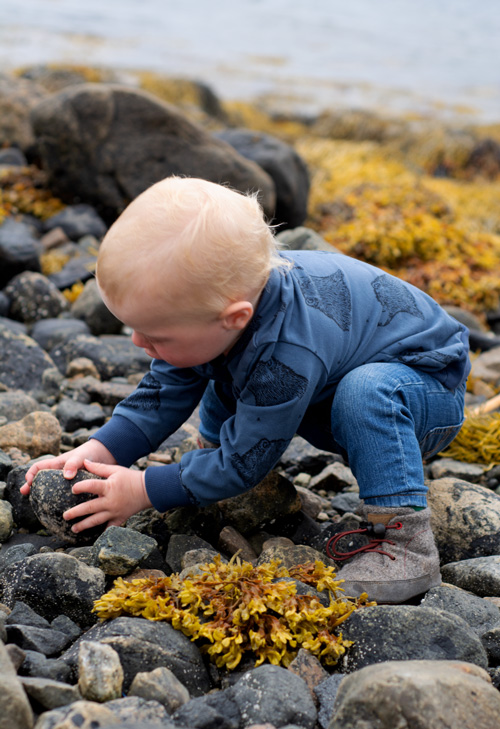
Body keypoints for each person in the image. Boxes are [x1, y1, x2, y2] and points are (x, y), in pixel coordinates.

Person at [21, 176, 470, 603]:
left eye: (155, 334)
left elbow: (245, 462)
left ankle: (407, 543)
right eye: (133, 328)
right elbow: (163, 390)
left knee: (361, 392)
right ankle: (207, 465)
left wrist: (144, 489)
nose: (139, 344)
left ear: (234, 315)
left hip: (422, 393)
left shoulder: (286, 352)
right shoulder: (223, 312)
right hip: (328, 374)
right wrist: (101, 451)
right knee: (207, 361)